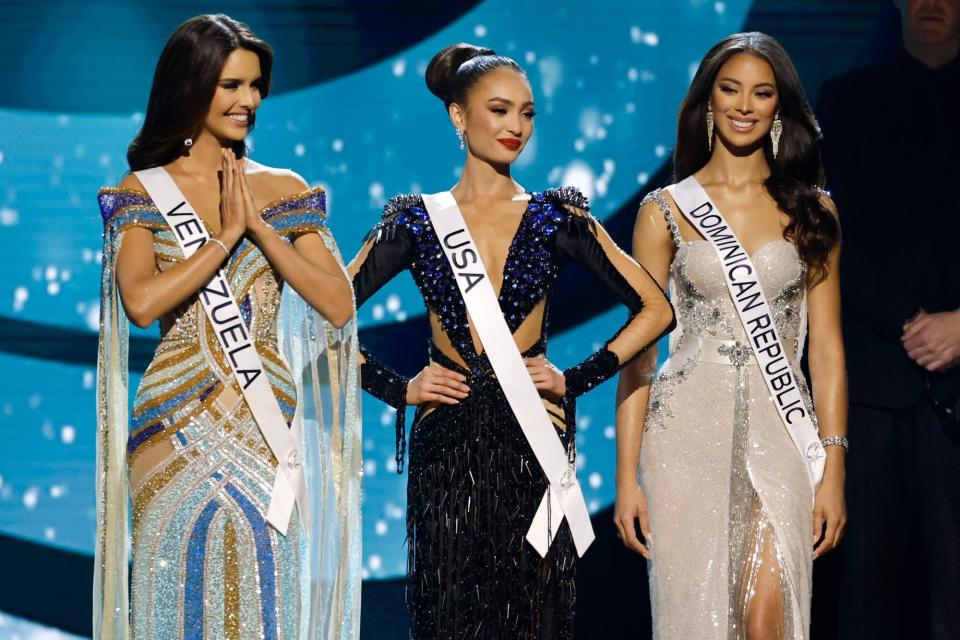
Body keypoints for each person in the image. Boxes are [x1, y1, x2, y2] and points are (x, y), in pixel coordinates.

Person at [348, 43, 674, 639]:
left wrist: (577, 378)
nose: (515, 127)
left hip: (533, 439)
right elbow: (320, 321)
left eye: (527, 113)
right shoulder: (416, 221)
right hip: (445, 444)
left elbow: (656, 308)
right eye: (499, 111)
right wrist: (399, 389)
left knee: (531, 615)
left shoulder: (556, 217)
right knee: (451, 615)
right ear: (457, 115)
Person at [94, 14, 361, 639]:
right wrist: (226, 238)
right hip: (173, 424)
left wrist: (264, 229)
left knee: (265, 608)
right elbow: (141, 303)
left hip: (264, 428)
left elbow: (339, 303)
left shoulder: (282, 188)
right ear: (192, 87)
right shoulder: (144, 190)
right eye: (231, 86)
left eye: (256, 85)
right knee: (173, 605)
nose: (249, 101)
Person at [614, 32, 847, 639]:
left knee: (769, 618)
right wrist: (625, 480)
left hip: (784, 433)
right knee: (699, 620)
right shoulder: (664, 209)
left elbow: (825, 349)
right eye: (731, 89)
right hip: (686, 432)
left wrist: (836, 469)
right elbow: (638, 355)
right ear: (708, 101)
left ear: (779, 107)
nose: (745, 105)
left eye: (762, 93)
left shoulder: (813, 210)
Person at [817, 1, 960, 637]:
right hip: (874, 381)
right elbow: (827, 239)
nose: (932, 3)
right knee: (869, 590)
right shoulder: (847, 101)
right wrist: (909, 319)